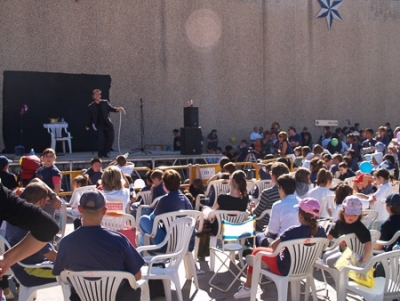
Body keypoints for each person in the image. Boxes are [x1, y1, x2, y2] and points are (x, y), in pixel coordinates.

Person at [53, 190, 144, 301]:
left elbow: (61, 275)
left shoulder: (66, 242)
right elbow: (137, 275)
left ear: (80, 209)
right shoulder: (119, 240)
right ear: (104, 210)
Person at [234, 198, 326, 299]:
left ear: (300, 215)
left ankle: (248, 287)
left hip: (284, 268)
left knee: (256, 252)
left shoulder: (292, 231)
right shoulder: (321, 231)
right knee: (259, 253)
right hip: (306, 267)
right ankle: (251, 281)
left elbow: (274, 246)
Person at [5, 182, 58, 287]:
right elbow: (52, 256)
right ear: (41, 201)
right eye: (47, 202)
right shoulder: (35, 222)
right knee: (72, 274)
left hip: (17, 267)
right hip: (30, 271)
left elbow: (35, 181)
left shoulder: (15, 214)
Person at [139, 169, 193, 245]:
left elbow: (152, 218)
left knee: (143, 219)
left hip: (166, 242)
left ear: (164, 184)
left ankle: (147, 250)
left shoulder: (164, 200)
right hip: (183, 241)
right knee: (142, 238)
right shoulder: (185, 200)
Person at [322, 196, 372, 268]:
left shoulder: (359, 226)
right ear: (343, 212)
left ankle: (342, 275)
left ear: (359, 214)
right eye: (348, 214)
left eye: (355, 215)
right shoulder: (339, 223)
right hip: (342, 249)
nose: (351, 217)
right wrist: (322, 245)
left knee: (330, 260)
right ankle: (339, 271)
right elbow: (331, 234)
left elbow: (368, 241)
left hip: (353, 253)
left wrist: (366, 256)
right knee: (325, 256)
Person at [255, 175, 300, 247]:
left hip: (282, 245)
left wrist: (267, 229)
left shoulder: (278, 205)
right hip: (299, 244)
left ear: (281, 188)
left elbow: (272, 232)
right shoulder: (301, 203)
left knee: (259, 237)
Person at [207, 170, 249, 236]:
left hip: (219, 230)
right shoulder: (245, 198)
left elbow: (212, 216)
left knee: (205, 211)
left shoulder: (222, 198)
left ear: (232, 180)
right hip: (236, 230)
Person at [250, 163, 289, 232]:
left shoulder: (267, 193)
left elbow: (257, 213)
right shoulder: (291, 192)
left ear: (273, 176)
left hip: (265, 226)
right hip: (285, 226)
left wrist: (252, 208)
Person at [86, 89, 124, 158]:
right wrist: (88, 125)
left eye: (98, 94)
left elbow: (111, 108)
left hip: (107, 124)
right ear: (93, 96)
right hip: (98, 124)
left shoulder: (105, 103)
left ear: (100, 96)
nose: (97, 96)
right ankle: (100, 154)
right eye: (95, 94)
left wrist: (117, 109)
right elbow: (90, 117)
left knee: (111, 138)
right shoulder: (91, 106)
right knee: (101, 139)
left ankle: (106, 152)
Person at [35, 148, 61, 216]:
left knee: (47, 219)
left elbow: (57, 187)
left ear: (54, 158)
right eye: (47, 156)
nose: (49, 158)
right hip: (39, 199)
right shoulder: (39, 170)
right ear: (42, 158)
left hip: (49, 200)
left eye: (51, 156)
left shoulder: (55, 172)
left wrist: (48, 198)